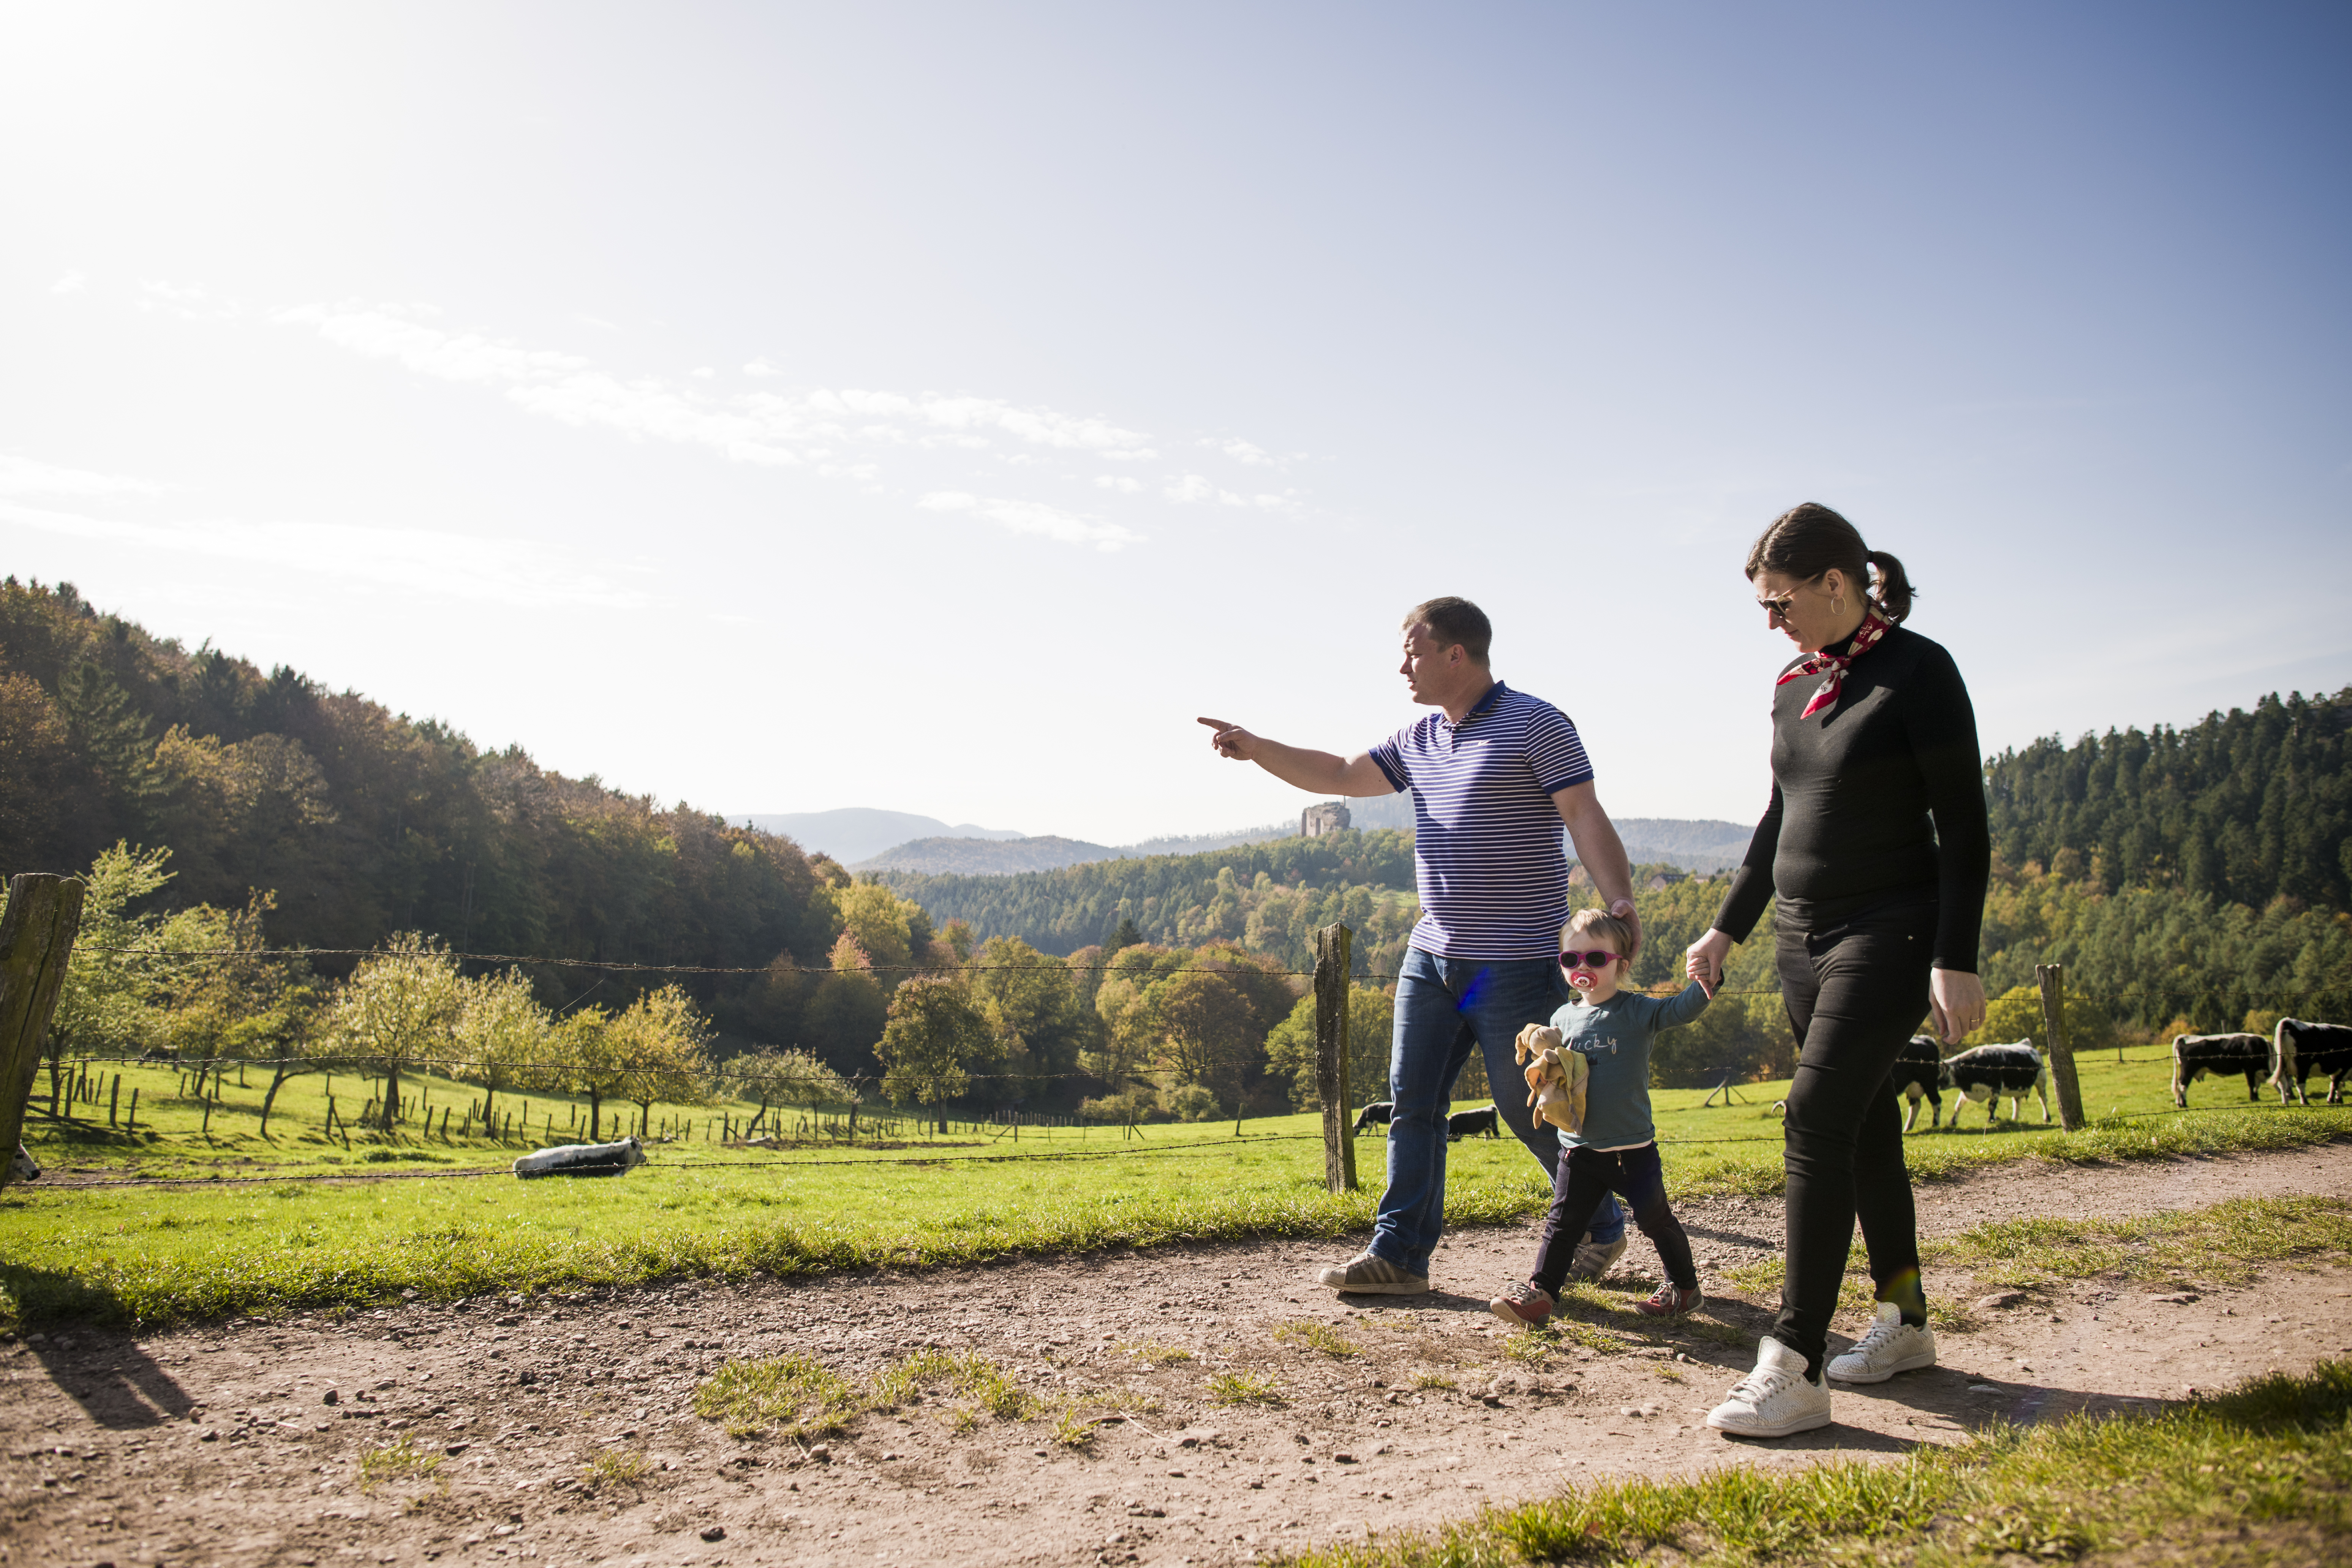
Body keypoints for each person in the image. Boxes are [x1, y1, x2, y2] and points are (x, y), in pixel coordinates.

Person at [1198, 596, 1642, 1295]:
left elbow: (1583, 814)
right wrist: (1257, 749)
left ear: (1454, 654)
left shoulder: (1538, 723)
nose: (1401, 664)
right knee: (1411, 1101)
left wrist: (1618, 903)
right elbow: (1342, 774)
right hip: (1432, 956)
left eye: (1412, 650)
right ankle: (1400, 1254)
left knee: (1527, 1103)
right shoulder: (1420, 737)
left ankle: (1598, 1224)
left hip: (1517, 960)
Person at [1685, 504, 1989, 1439]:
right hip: (1799, 936)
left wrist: (1953, 954)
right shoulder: (1792, 683)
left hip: (1888, 929)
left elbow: (1964, 827)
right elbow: (1777, 816)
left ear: (1834, 582)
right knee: (1859, 1132)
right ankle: (1903, 1319)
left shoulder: (1919, 672)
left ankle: (1796, 1360)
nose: (1770, 623)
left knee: (1812, 1116)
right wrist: (1725, 928)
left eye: (1779, 603)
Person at [1489, 908, 1710, 1328]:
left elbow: (1680, 1010)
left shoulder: (1636, 1011)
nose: (1581, 968)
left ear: (1621, 965)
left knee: (1655, 1219)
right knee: (1562, 1225)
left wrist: (1705, 981)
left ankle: (1684, 1290)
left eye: (1595, 959)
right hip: (1579, 1150)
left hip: (1632, 1149)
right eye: (1570, 960)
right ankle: (1541, 1295)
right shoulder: (1562, 1018)